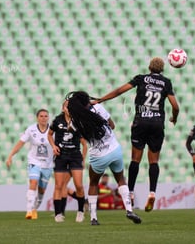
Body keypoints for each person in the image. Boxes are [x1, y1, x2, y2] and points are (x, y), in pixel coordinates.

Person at [95, 57, 179, 212]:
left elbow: (120, 90)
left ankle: (131, 193)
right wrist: (175, 117)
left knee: (135, 159)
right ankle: (152, 193)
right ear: (162, 69)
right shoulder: (166, 82)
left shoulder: (141, 78)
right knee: (154, 161)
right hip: (157, 124)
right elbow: (175, 105)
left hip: (140, 123)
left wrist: (101, 99)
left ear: (149, 67)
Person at [67, 91, 141, 225]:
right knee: (121, 179)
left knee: (93, 184)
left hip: (98, 155)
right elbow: (112, 125)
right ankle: (129, 210)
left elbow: (70, 130)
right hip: (114, 150)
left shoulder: (76, 121)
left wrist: (70, 115)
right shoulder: (99, 108)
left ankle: (93, 218)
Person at [6, 109, 53, 220]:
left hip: (48, 163)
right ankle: (28, 210)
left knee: (42, 190)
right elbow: (20, 143)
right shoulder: (31, 129)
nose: (43, 118)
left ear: (48, 118)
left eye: (46, 116)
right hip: (34, 161)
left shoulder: (53, 130)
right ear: (37, 118)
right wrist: (10, 156)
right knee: (33, 181)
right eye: (41, 116)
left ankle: (34, 209)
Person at [48, 100, 87, 223]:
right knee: (59, 185)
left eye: (71, 106)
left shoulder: (78, 121)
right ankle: (58, 214)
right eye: (66, 106)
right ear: (63, 108)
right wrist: (53, 146)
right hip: (61, 156)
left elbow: (84, 144)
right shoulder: (57, 121)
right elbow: (49, 135)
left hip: (75, 156)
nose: (68, 108)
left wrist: (83, 159)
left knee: (79, 185)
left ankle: (80, 211)